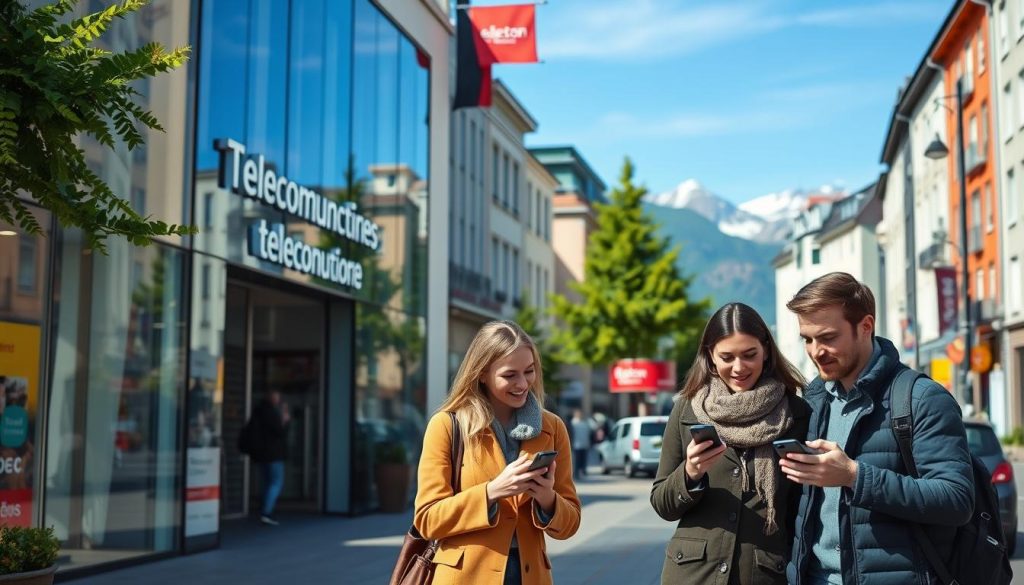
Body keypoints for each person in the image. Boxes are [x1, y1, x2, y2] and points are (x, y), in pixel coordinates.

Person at [780, 272, 974, 584]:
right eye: (808, 339)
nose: (816, 351)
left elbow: (955, 499)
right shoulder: (814, 400)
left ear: (866, 326)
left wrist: (854, 476)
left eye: (828, 337)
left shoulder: (922, 398)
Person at [650, 302, 809, 584]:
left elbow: (802, 511)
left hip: (762, 574)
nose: (739, 367)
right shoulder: (687, 409)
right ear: (710, 356)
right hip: (691, 574)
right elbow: (662, 504)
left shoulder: (796, 414)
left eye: (750, 355)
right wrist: (690, 473)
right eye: (726, 357)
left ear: (766, 351)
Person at [414, 320, 581, 585]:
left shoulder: (553, 428)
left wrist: (548, 499)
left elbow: (570, 524)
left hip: (531, 576)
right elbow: (427, 519)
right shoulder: (448, 425)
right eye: (509, 375)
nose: (523, 383)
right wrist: (491, 492)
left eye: (529, 371)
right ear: (481, 373)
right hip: (464, 577)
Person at [250, 390, 290, 526]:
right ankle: (266, 512)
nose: (278, 400)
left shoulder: (258, 411)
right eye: (276, 397)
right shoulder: (272, 413)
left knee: (267, 482)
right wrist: (284, 420)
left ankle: (265, 508)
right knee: (275, 483)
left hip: (262, 454)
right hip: (274, 454)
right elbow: (280, 432)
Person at [569, 409, 592, 479]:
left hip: (583, 444)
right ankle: (577, 473)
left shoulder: (584, 423)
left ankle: (581, 471)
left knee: (582, 460)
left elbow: (589, 433)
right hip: (577, 445)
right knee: (578, 460)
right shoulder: (573, 423)